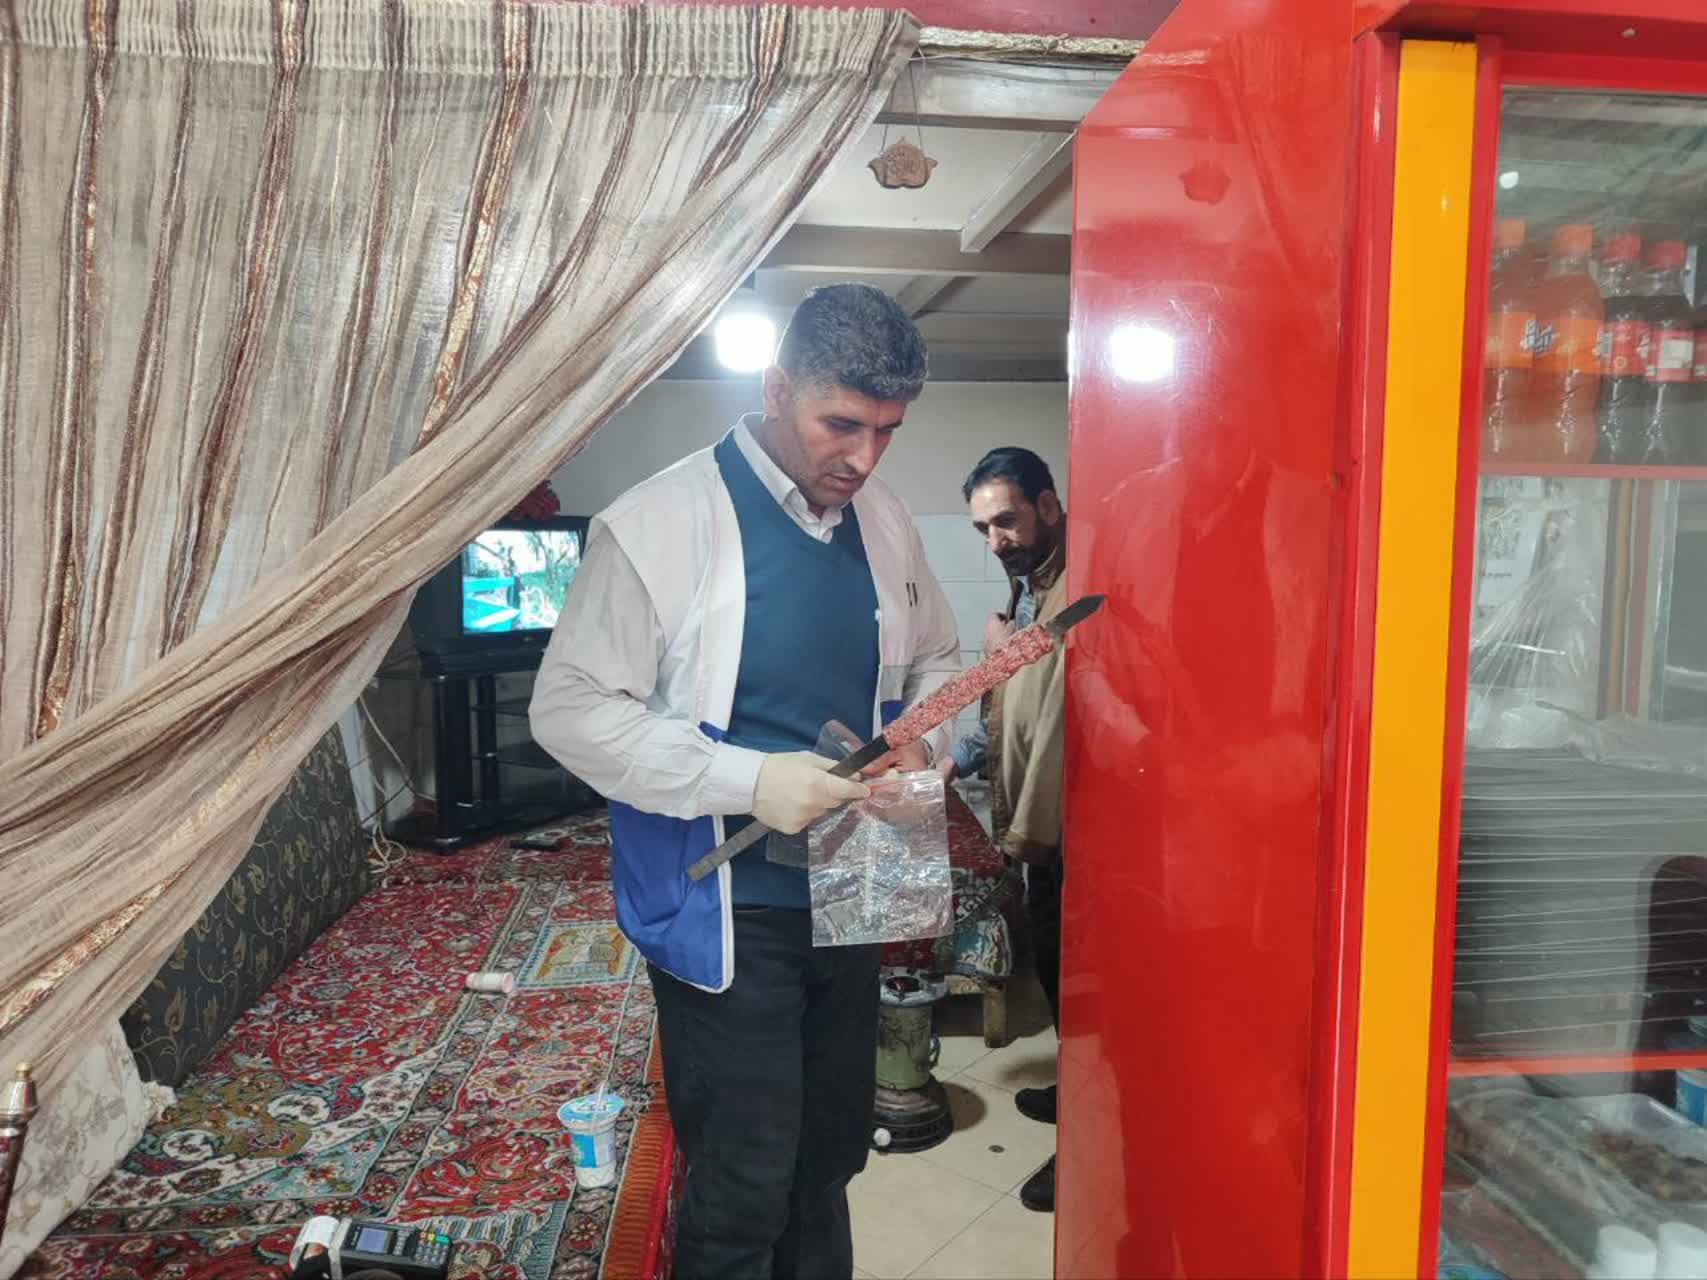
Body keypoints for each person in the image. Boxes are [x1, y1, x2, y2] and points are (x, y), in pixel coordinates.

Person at [530, 283, 960, 1279]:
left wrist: (921, 740)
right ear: (775, 388)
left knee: (831, 1154)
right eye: (839, 424)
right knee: (743, 1178)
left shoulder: (886, 520)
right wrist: (747, 776)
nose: (863, 457)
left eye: (887, 431)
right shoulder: (657, 522)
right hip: (724, 902)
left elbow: (939, 657)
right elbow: (570, 708)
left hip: (854, 886)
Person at [939, 446, 1067, 1214]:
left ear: (1048, 506)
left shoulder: (1084, 583)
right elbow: (1005, 702)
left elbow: (1064, 691)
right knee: (1055, 966)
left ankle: (1089, 1141)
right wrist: (949, 763)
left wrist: (1002, 653)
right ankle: (1076, 1089)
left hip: (1084, 824)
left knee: (1086, 983)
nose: (996, 541)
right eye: (983, 529)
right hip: (1041, 823)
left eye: (1007, 521)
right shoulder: (1030, 588)